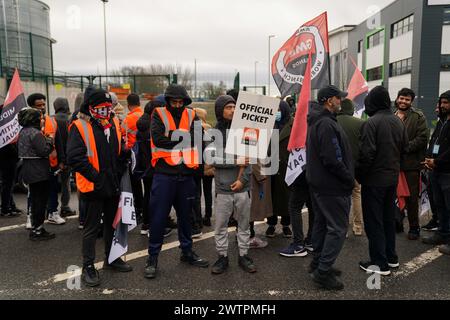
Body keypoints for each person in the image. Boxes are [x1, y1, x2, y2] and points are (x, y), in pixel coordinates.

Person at [67, 89, 132, 287]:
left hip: (112, 184)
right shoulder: (79, 126)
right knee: (91, 228)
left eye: (108, 107)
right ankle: (88, 266)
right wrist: (96, 177)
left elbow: (119, 149)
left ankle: (111, 259)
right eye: (101, 108)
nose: (106, 111)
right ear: (90, 108)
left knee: (111, 224)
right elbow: (74, 158)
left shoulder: (113, 122)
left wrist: (123, 161)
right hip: (93, 186)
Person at [144, 84, 209, 279]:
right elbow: (157, 139)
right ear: (168, 101)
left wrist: (174, 137)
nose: (178, 105)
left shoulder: (191, 114)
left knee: (186, 217)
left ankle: (187, 252)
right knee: (158, 218)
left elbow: (198, 138)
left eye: (181, 102)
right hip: (164, 174)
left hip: (186, 174)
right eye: (174, 102)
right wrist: (184, 138)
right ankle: (152, 258)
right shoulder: (158, 113)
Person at [356, 86, 408, 276]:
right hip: (392, 178)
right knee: (387, 219)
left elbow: (366, 155)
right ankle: (391, 257)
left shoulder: (371, 123)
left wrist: (359, 175)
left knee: (373, 221)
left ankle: (379, 262)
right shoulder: (398, 121)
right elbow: (405, 149)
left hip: (374, 180)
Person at [307, 85, 354, 291]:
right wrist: (348, 179)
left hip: (321, 184)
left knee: (322, 224)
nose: (340, 101)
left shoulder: (320, 121)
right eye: (338, 98)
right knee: (337, 228)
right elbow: (332, 159)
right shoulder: (326, 123)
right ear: (328, 100)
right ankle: (323, 271)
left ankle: (318, 262)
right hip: (331, 186)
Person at [206, 95, 255, 274]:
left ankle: (244, 255)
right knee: (220, 226)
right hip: (222, 189)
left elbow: (250, 159)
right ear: (220, 110)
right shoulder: (212, 133)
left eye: (234, 107)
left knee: (244, 225)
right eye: (228, 107)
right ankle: (222, 257)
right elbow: (211, 159)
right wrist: (236, 160)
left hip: (243, 188)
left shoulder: (245, 131)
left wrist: (242, 180)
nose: (233, 110)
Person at [394, 88, 429, 240]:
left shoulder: (418, 116)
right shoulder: (392, 116)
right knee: (395, 196)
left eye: (407, 99)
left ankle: (414, 227)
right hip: (394, 165)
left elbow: (423, 137)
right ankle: (397, 223)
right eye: (401, 98)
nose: (403, 101)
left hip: (411, 166)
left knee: (412, 198)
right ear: (397, 99)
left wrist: (405, 148)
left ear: (411, 101)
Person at [136, 96, 173, 238]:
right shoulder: (152, 127)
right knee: (156, 199)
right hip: (154, 167)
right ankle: (154, 227)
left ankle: (146, 224)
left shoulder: (142, 124)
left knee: (148, 196)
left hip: (145, 168)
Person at [27, 93, 66, 226]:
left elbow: (59, 141)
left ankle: (53, 213)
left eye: (43, 104)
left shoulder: (52, 120)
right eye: (39, 105)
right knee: (34, 193)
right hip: (35, 165)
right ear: (31, 106)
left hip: (51, 163)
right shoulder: (27, 123)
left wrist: (62, 160)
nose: (42, 107)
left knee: (53, 188)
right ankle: (31, 217)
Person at [279, 116, 314, 257]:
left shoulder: (296, 128)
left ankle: (298, 244)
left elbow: (286, 152)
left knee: (294, 207)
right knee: (313, 207)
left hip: (300, 175)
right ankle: (311, 240)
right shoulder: (318, 125)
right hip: (313, 174)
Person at [18, 108, 55, 240]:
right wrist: (50, 141)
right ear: (33, 119)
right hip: (38, 170)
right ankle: (37, 230)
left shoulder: (23, 132)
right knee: (40, 201)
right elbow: (44, 151)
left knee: (35, 201)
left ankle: (36, 228)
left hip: (28, 169)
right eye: (40, 118)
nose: (42, 120)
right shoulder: (35, 133)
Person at [422, 90, 450, 256]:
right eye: (442, 102)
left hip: (447, 172)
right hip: (435, 170)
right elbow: (435, 142)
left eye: (446, 102)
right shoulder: (441, 121)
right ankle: (442, 233)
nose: (443, 105)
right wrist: (428, 157)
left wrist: (437, 161)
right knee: (440, 205)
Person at [337, 99, 365, 236]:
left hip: (337, 168)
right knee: (356, 195)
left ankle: (342, 228)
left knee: (341, 197)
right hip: (355, 167)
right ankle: (358, 226)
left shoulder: (332, 122)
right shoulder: (360, 123)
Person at [266, 100, 293, 238]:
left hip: (287, 167)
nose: (276, 112)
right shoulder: (268, 124)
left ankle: (286, 225)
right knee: (271, 196)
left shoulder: (292, 124)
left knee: (285, 197)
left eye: (279, 109)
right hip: (270, 166)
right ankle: (271, 224)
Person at [122, 93, 144, 222]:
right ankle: (145, 210)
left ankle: (138, 209)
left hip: (132, 155)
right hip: (145, 154)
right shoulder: (145, 116)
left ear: (128, 104)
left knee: (134, 184)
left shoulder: (128, 119)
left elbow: (121, 135)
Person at [53, 97, 77, 217]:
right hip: (68, 156)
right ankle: (65, 207)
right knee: (65, 183)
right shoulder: (70, 119)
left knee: (51, 184)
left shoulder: (51, 119)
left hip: (53, 157)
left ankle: (51, 208)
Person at [193, 107, 214, 228]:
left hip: (197, 164)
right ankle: (208, 216)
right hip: (208, 164)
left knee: (197, 193)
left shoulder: (194, 128)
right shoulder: (210, 128)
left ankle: (198, 217)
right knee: (208, 192)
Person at [0, 130, 21, 217]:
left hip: (8, 159)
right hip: (7, 159)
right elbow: (9, 148)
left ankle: (10, 205)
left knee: (9, 184)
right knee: (7, 184)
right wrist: (17, 154)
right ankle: (5, 208)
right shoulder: (5, 133)